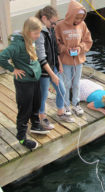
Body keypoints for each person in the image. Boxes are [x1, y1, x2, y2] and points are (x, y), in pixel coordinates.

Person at [0, 17, 50, 150]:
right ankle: (21, 138)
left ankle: (35, 125)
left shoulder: (30, 40)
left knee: (36, 104)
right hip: (24, 83)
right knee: (25, 109)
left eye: (39, 33)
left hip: (35, 79)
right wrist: (13, 69)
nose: (38, 36)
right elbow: (2, 57)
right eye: (36, 33)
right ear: (28, 32)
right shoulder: (17, 44)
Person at [35, 6, 74, 126]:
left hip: (53, 67)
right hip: (44, 70)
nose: (54, 25)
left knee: (61, 89)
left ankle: (60, 112)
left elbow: (54, 48)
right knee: (44, 94)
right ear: (44, 18)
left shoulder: (50, 29)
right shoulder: (39, 33)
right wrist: (52, 75)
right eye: (53, 23)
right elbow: (41, 58)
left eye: (56, 23)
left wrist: (59, 64)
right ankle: (42, 117)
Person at [55, 0, 93, 116]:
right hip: (65, 61)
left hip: (78, 60)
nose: (78, 20)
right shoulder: (59, 25)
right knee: (66, 83)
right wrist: (64, 49)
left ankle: (75, 103)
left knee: (76, 83)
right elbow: (55, 43)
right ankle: (66, 105)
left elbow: (88, 41)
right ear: (71, 15)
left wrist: (80, 48)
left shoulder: (83, 25)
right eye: (77, 17)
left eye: (81, 18)